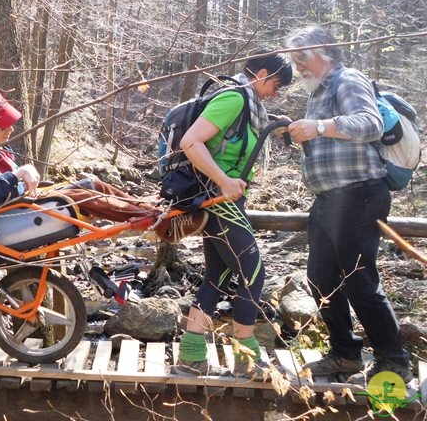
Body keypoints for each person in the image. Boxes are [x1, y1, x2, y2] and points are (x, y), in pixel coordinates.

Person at [286, 25, 412, 385]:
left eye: (302, 58)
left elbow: (370, 124)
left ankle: (393, 359)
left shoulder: (348, 79)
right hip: (328, 199)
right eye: (294, 60)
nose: (298, 67)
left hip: (360, 194)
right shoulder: (317, 91)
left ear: (324, 51)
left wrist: (320, 127)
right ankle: (345, 354)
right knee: (321, 278)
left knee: (359, 281)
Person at [172, 49, 293, 379]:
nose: (275, 94)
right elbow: (191, 141)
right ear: (263, 74)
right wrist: (224, 181)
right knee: (253, 274)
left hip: (220, 200)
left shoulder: (250, 106)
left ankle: (191, 356)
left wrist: (278, 127)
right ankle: (247, 360)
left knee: (218, 276)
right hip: (217, 198)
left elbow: (238, 141)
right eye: (276, 86)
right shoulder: (236, 98)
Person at [0, 89, 207, 234]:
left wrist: (23, 173)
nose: (10, 131)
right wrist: (18, 174)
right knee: (79, 196)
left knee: (94, 183)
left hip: (18, 199)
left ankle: (156, 214)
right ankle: (160, 220)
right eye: (2, 127)